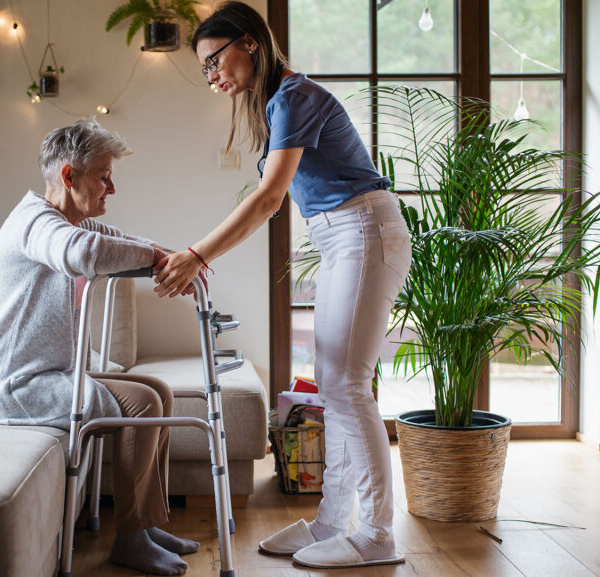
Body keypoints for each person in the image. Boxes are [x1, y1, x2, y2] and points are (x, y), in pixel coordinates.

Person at [153, 2, 411, 570]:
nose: (214, 76)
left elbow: (270, 198)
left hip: (365, 231)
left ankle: (376, 536)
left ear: (249, 42)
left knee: (347, 386)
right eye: (205, 70)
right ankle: (329, 522)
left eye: (215, 60)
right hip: (346, 235)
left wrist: (197, 254)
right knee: (335, 384)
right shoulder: (278, 102)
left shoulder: (293, 95)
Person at [0, 119, 198, 576]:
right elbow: (81, 254)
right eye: (103, 176)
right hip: (10, 386)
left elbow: (112, 239)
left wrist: (167, 254)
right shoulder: (36, 223)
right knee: (142, 404)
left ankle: (145, 525)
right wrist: (157, 258)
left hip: (43, 374)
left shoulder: (62, 220)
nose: (112, 188)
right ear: (69, 176)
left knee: (157, 391)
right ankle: (130, 540)